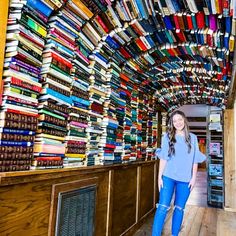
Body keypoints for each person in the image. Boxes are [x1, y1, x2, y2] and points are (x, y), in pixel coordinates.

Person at [152, 110, 206, 236]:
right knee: (162, 207)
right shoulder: (167, 137)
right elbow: (164, 158)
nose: (177, 123)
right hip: (168, 177)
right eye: (174, 121)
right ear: (172, 123)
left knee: (179, 209)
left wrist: (193, 178)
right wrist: (159, 177)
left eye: (180, 119)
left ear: (184, 120)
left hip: (185, 179)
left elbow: (195, 160)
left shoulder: (192, 138)